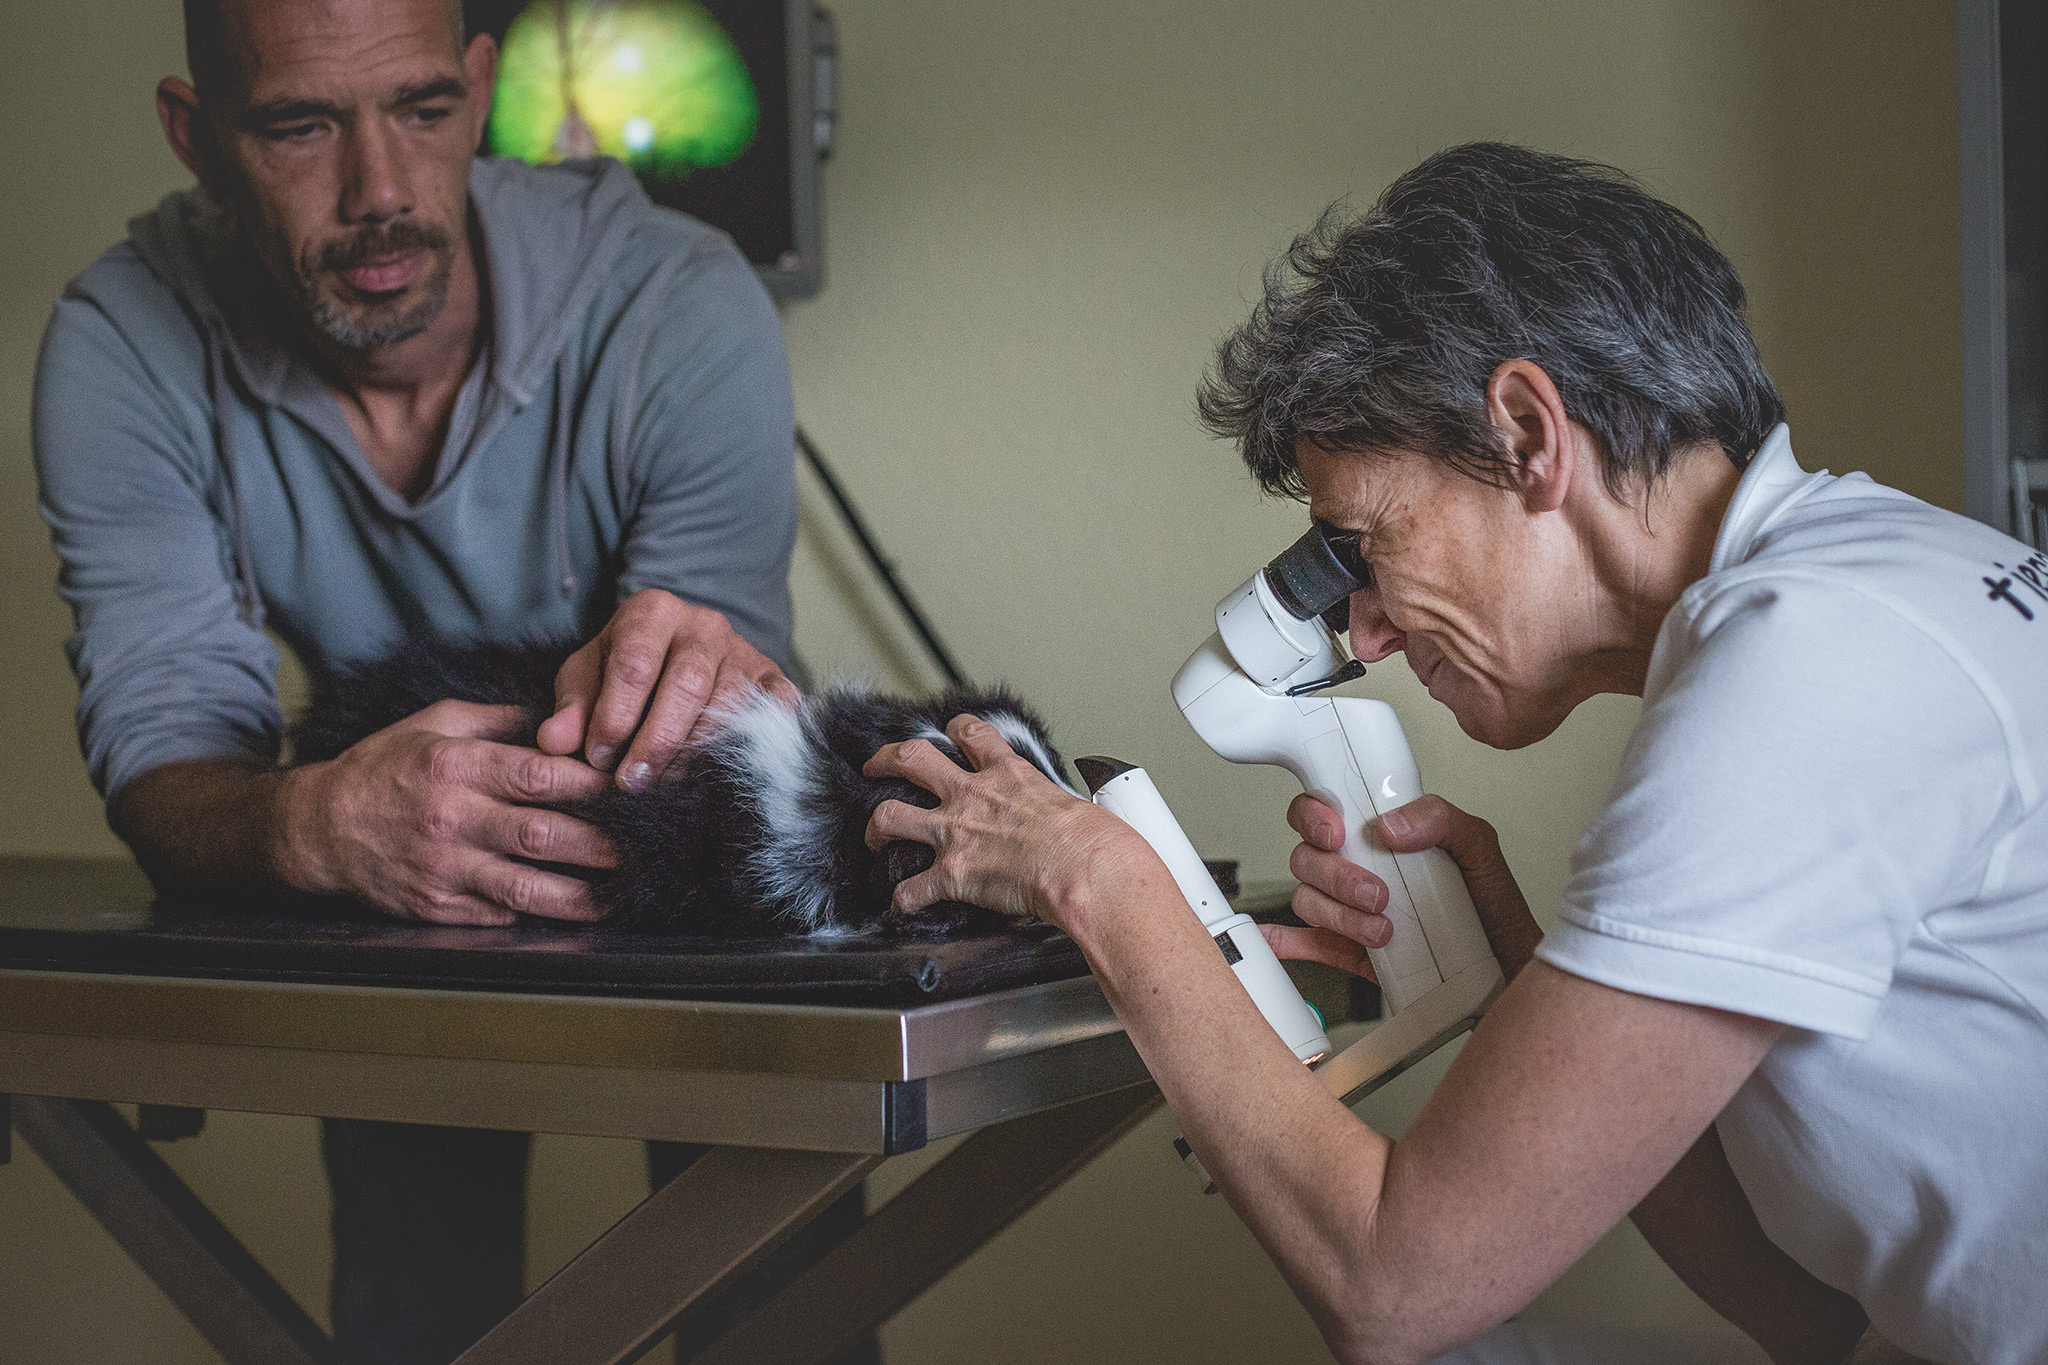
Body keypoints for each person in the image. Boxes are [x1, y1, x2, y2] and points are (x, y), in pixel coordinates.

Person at [859, 144, 2047, 1365]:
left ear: (1529, 432)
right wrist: (1514, 969)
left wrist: (1098, 882)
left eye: (1363, 542)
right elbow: (1805, 1314)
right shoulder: (1874, 584)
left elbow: (1394, 1288)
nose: (1361, 633)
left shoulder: (1799, 674)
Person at [30, 1, 863, 1362]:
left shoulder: (678, 303)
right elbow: (165, 745)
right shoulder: (122, 344)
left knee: (784, 1319)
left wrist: (682, 679)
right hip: (383, 886)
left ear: (481, 93)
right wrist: (317, 825)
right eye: (301, 126)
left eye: (421, 113)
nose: (380, 194)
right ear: (196, 136)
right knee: (417, 1310)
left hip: (704, 884)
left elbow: (699, 702)